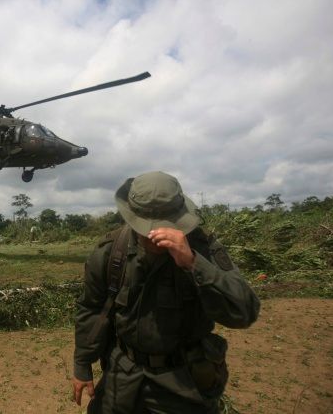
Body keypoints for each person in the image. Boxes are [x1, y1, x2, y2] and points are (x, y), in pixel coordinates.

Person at [73, 171, 260, 413]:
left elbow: (244, 312)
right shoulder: (111, 253)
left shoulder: (203, 249)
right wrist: (82, 364)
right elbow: (91, 308)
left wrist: (193, 263)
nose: (154, 236)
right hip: (122, 375)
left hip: (182, 381)